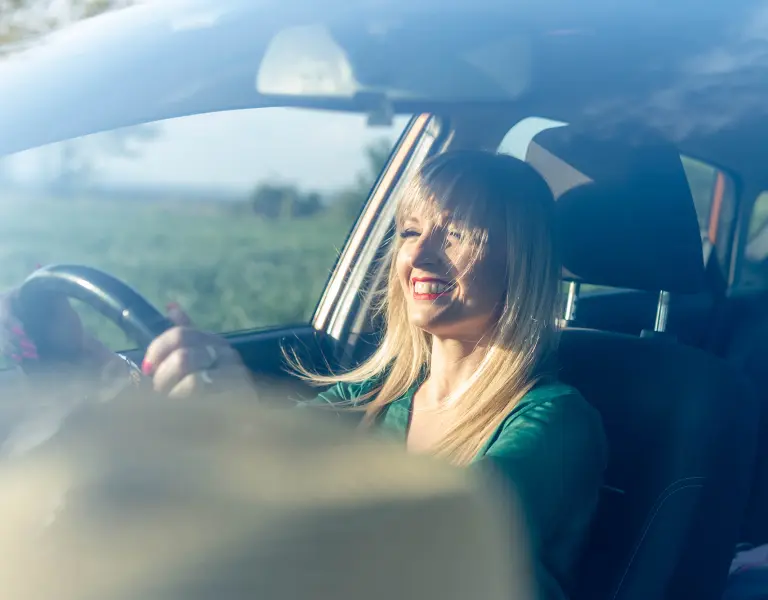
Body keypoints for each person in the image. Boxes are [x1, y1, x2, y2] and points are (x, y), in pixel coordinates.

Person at [0, 150, 607, 600]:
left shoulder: (554, 420)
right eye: (410, 231)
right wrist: (111, 377)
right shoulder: (377, 394)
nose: (420, 255)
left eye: (457, 233)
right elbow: (263, 448)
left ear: (519, 259)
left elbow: (438, 538)